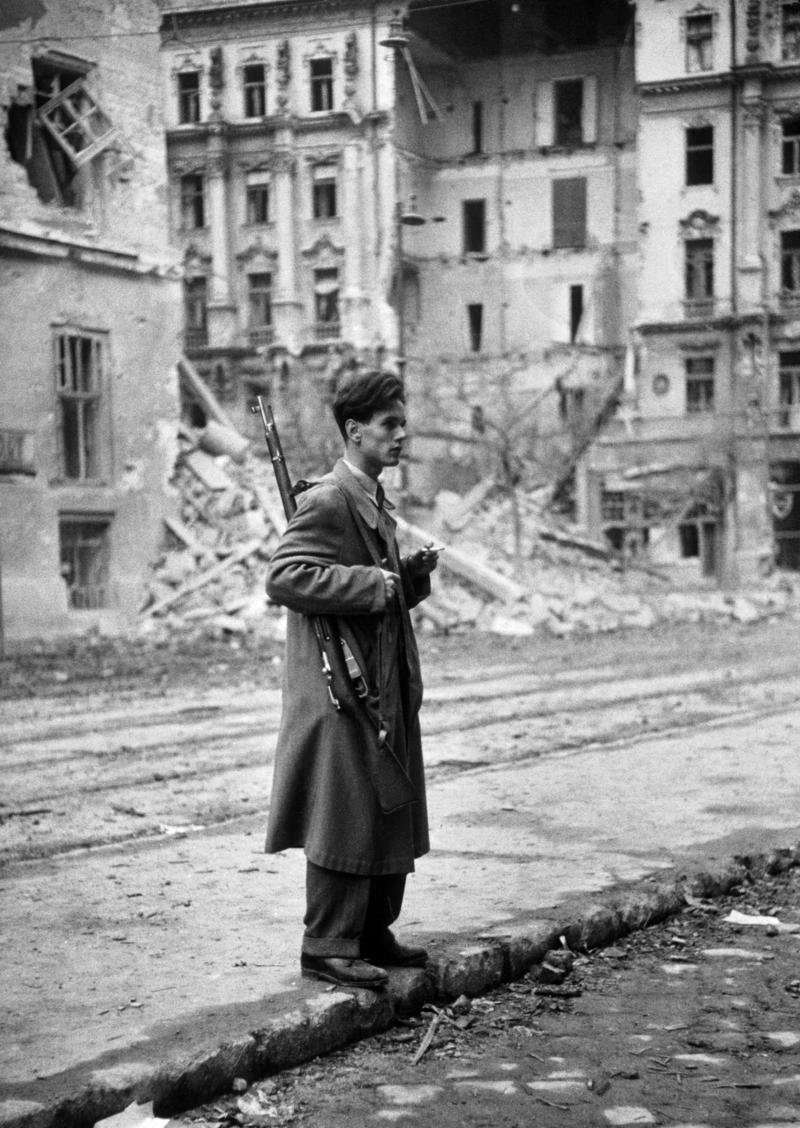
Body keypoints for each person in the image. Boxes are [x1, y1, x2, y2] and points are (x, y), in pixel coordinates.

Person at [265, 370, 440, 989]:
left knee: (387, 803)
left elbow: (375, 598)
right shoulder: (329, 499)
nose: (401, 435)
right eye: (390, 424)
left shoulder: (370, 499)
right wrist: (372, 584)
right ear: (354, 431)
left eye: (401, 423)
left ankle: (370, 931)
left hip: (377, 682)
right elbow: (286, 577)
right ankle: (327, 944)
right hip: (338, 690)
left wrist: (407, 579)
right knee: (344, 810)